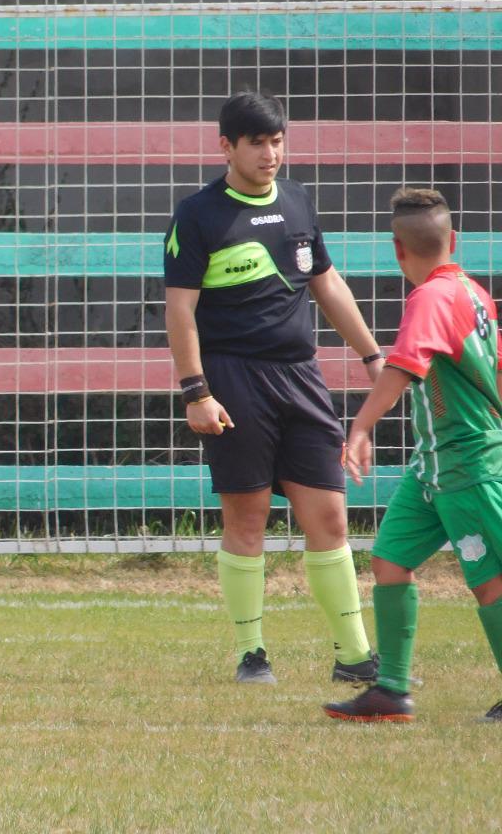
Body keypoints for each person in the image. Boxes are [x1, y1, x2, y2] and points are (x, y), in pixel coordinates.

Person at [163, 90, 382, 685]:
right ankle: (251, 653)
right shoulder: (197, 214)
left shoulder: (297, 202)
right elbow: (180, 312)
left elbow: (327, 284)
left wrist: (371, 356)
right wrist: (196, 392)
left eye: (277, 140)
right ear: (226, 147)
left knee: (331, 517)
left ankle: (354, 655)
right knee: (248, 516)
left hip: (300, 376)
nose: (270, 153)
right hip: (232, 378)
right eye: (257, 142)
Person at [325, 188, 502, 723]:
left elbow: (404, 365)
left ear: (396, 250)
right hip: (433, 465)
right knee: (390, 560)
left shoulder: (429, 298)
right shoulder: (473, 291)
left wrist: (359, 426)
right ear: (454, 241)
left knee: (489, 579)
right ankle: (391, 691)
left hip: (466, 464)